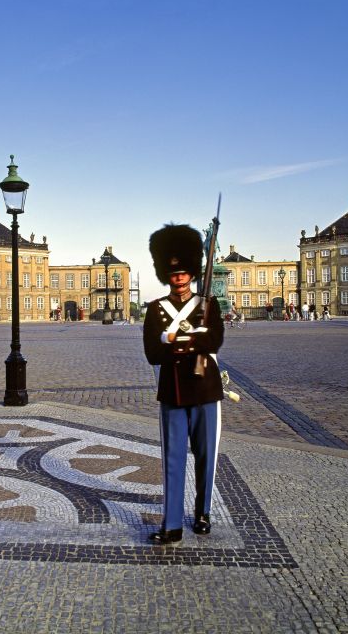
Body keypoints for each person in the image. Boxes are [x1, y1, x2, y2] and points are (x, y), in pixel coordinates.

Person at [143, 223, 224, 546]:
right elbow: (153, 352)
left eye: (184, 272)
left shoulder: (209, 306)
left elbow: (215, 341)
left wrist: (177, 340)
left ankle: (202, 512)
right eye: (173, 273)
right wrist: (191, 340)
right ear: (167, 274)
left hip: (205, 389)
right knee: (173, 459)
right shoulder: (155, 309)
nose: (178, 277)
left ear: (191, 273)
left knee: (207, 456)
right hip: (173, 391)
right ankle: (172, 523)